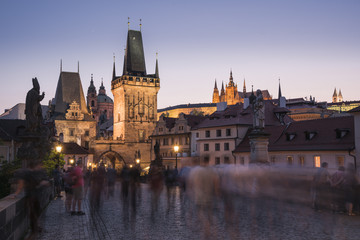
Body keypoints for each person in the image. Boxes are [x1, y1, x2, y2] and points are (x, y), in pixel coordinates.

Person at [13, 161, 49, 240]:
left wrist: (15, 194)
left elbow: (21, 185)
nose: (41, 167)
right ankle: (35, 231)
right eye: (40, 165)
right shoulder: (31, 173)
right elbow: (22, 184)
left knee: (34, 214)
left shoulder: (30, 173)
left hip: (33, 196)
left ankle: (34, 231)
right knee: (34, 214)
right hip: (35, 196)